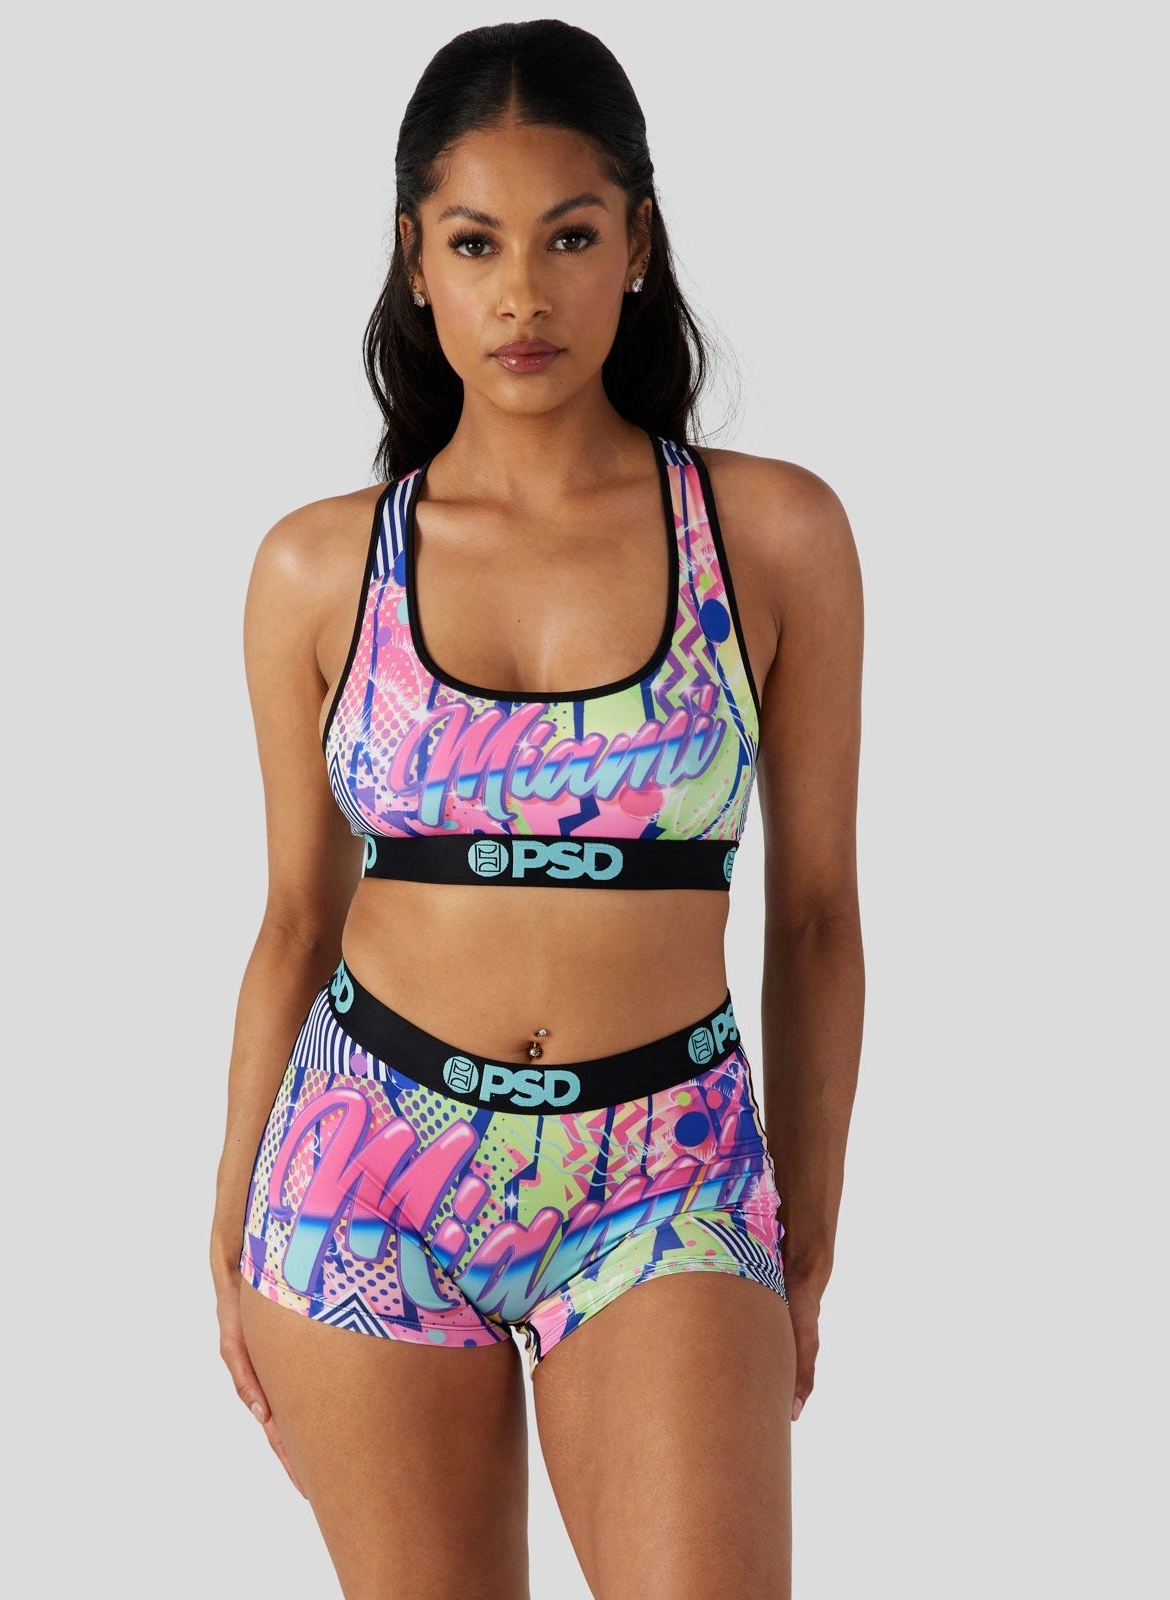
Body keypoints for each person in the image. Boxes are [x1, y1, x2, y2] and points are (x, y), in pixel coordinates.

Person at [210, 19, 863, 1600]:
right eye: (474, 242)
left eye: (568, 237)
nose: (521, 294)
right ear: (413, 263)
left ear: (637, 246)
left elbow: (817, 918)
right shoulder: (319, 569)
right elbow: (296, 916)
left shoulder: (771, 537)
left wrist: (805, 1232)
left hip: (666, 1178)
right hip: (364, 1170)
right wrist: (228, 1224)